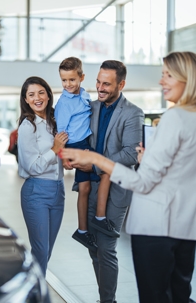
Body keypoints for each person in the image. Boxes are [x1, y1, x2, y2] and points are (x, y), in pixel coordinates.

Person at [60, 51, 196, 303]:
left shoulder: (173, 116)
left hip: (156, 222)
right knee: (178, 293)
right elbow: (183, 172)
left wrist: (95, 160)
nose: (161, 81)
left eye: (168, 75)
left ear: (189, 78)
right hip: (187, 222)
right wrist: (146, 159)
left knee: (154, 294)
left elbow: (143, 182)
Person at [67, 60, 144, 303]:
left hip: (117, 189)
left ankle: (107, 301)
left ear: (121, 84)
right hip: (89, 186)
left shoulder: (133, 113)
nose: (99, 87)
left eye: (106, 84)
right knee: (94, 247)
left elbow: (131, 154)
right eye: (98, 82)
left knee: (107, 248)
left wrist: (96, 163)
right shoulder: (90, 107)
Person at [55, 57, 119, 252]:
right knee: (98, 177)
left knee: (89, 185)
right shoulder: (64, 104)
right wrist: (64, 156)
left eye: (72, 80)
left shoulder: (83, 95)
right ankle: (92, 224)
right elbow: (60, 133)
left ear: (82, 78)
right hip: (76, 146)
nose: (68, 85)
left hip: (86, 145)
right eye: (64, 80)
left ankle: (86, 227)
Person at [17, 76, 68, 277]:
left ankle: (32, 290)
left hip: (58, 190)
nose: (37, 98)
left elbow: (60, 155)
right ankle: (36, 295)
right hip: (36, 191)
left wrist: (66, 158)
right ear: (26, 100)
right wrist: (55, 149)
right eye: (31, 95)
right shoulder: (28, 126)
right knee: (41, 250)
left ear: (48, 94)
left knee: (47, 251)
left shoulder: (56, 121)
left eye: (41, 92)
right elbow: (32, 167)